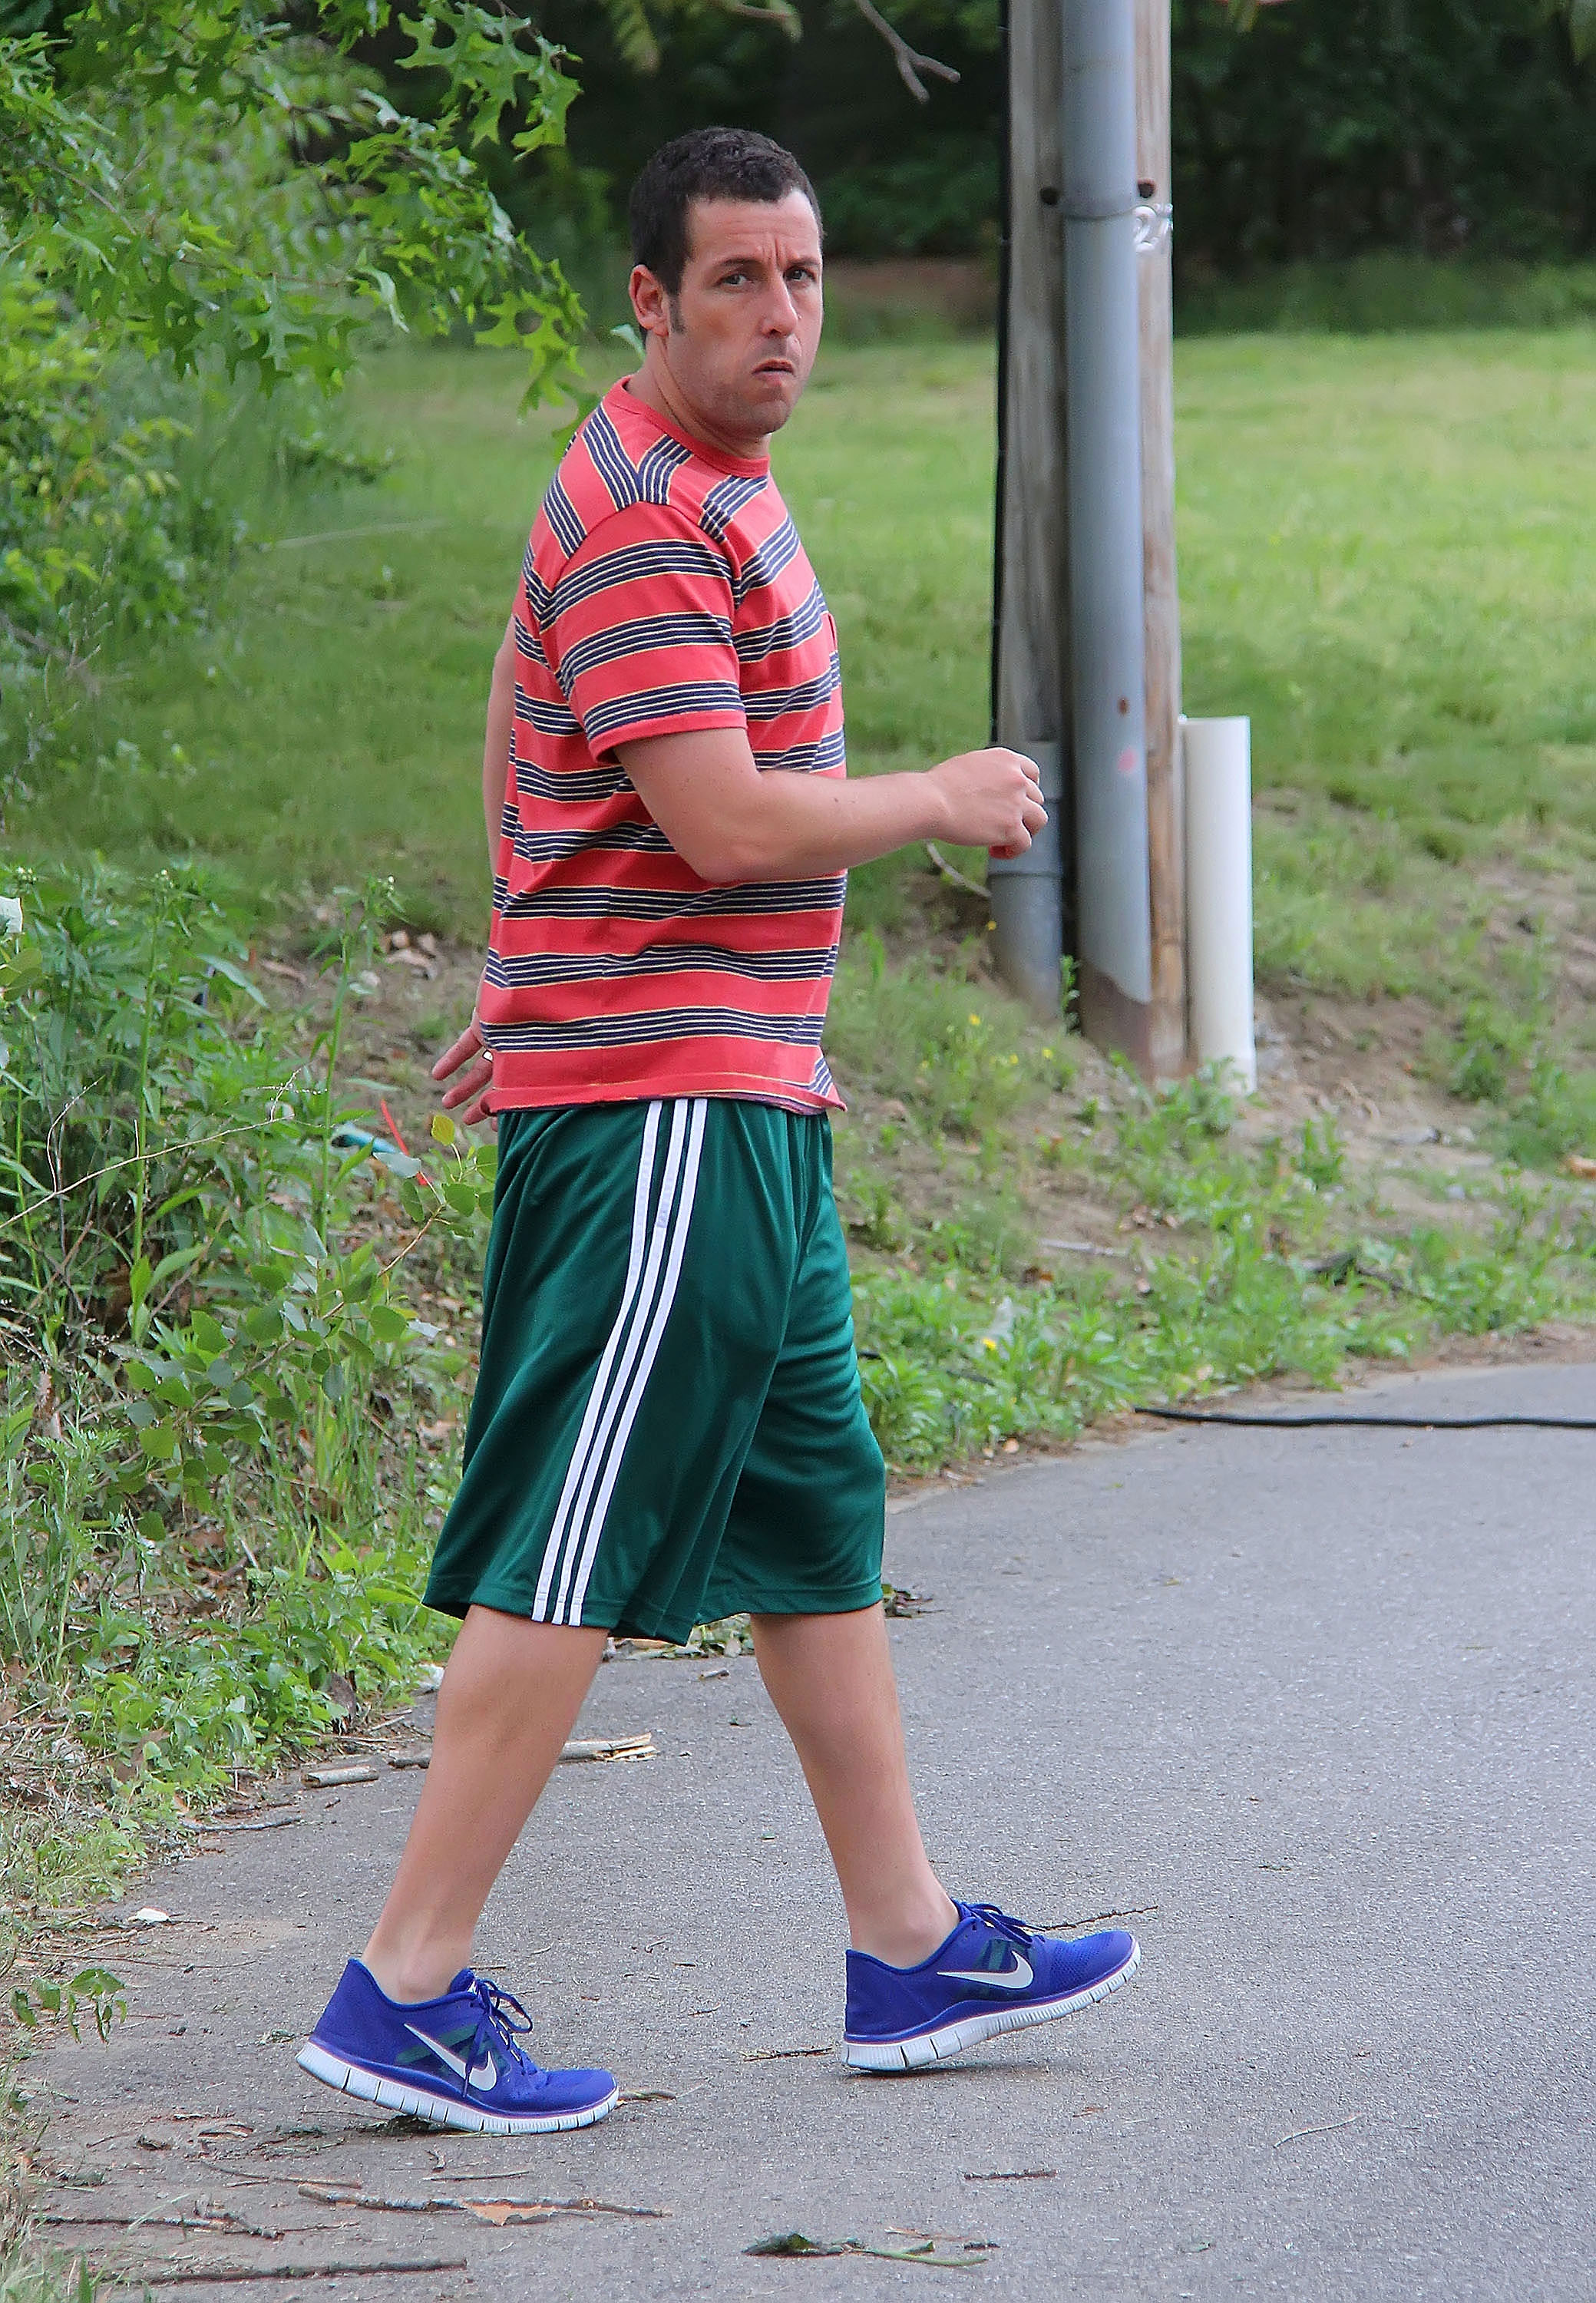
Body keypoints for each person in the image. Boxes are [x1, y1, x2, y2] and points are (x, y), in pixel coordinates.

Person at [297, 126, 1139, 2138]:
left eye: (808, 280)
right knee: (573, 1535)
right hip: (668, 1115)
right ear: (651, 301)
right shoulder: (646, 517)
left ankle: (907, 1937)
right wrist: (942, 800)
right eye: (740, 284)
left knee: (811, 1514)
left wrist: (532, 967)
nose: (784, 318)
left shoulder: (706, 487)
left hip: (734, 1091)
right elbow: (725, 820)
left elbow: (523, 725)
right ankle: (401, 1986)